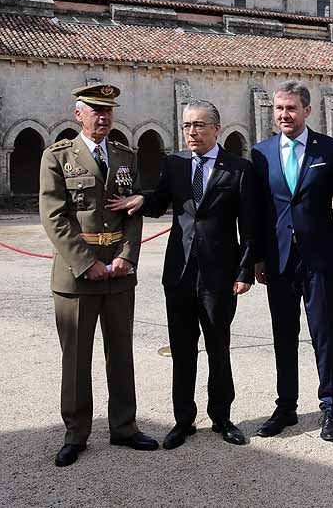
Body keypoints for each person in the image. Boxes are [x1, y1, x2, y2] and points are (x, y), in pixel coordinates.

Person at [107, 100, 258, 450]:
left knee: (219, 348)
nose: (192, 131)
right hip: (179, 273)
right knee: (182, 349)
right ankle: (183, 421)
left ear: (216, 129)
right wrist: (139, 201)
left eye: (200, 125)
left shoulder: (238, 168)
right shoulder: (174, 164)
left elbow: (249, 226)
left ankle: (222, 418)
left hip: (220, 275)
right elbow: (161, 202)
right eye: (187, 125)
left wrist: (245, 269)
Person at [38, 83, 158, 467]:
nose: (103, 117)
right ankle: (76, 433)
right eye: (95, 110)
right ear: (79, 114)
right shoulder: (57, 157)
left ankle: (124, 426)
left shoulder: (125, 156)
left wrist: (127, 256)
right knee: (76, 357)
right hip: (77, 275)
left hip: (120, 272)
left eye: (108, 111)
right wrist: (86, 261)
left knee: (121, 352)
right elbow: (54, 217)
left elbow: (133, 209)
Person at [250, 81, 333, 442]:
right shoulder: (260, 153)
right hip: (278, 260)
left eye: (291, 108)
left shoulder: (328, 148)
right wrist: (258, 257)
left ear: (307, 111)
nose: (284, 115)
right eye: (279, 109)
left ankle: (329, 406)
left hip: (320, 258)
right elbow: (259, 211)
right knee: (283, 335)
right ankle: (286, 407)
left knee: (323, 333)